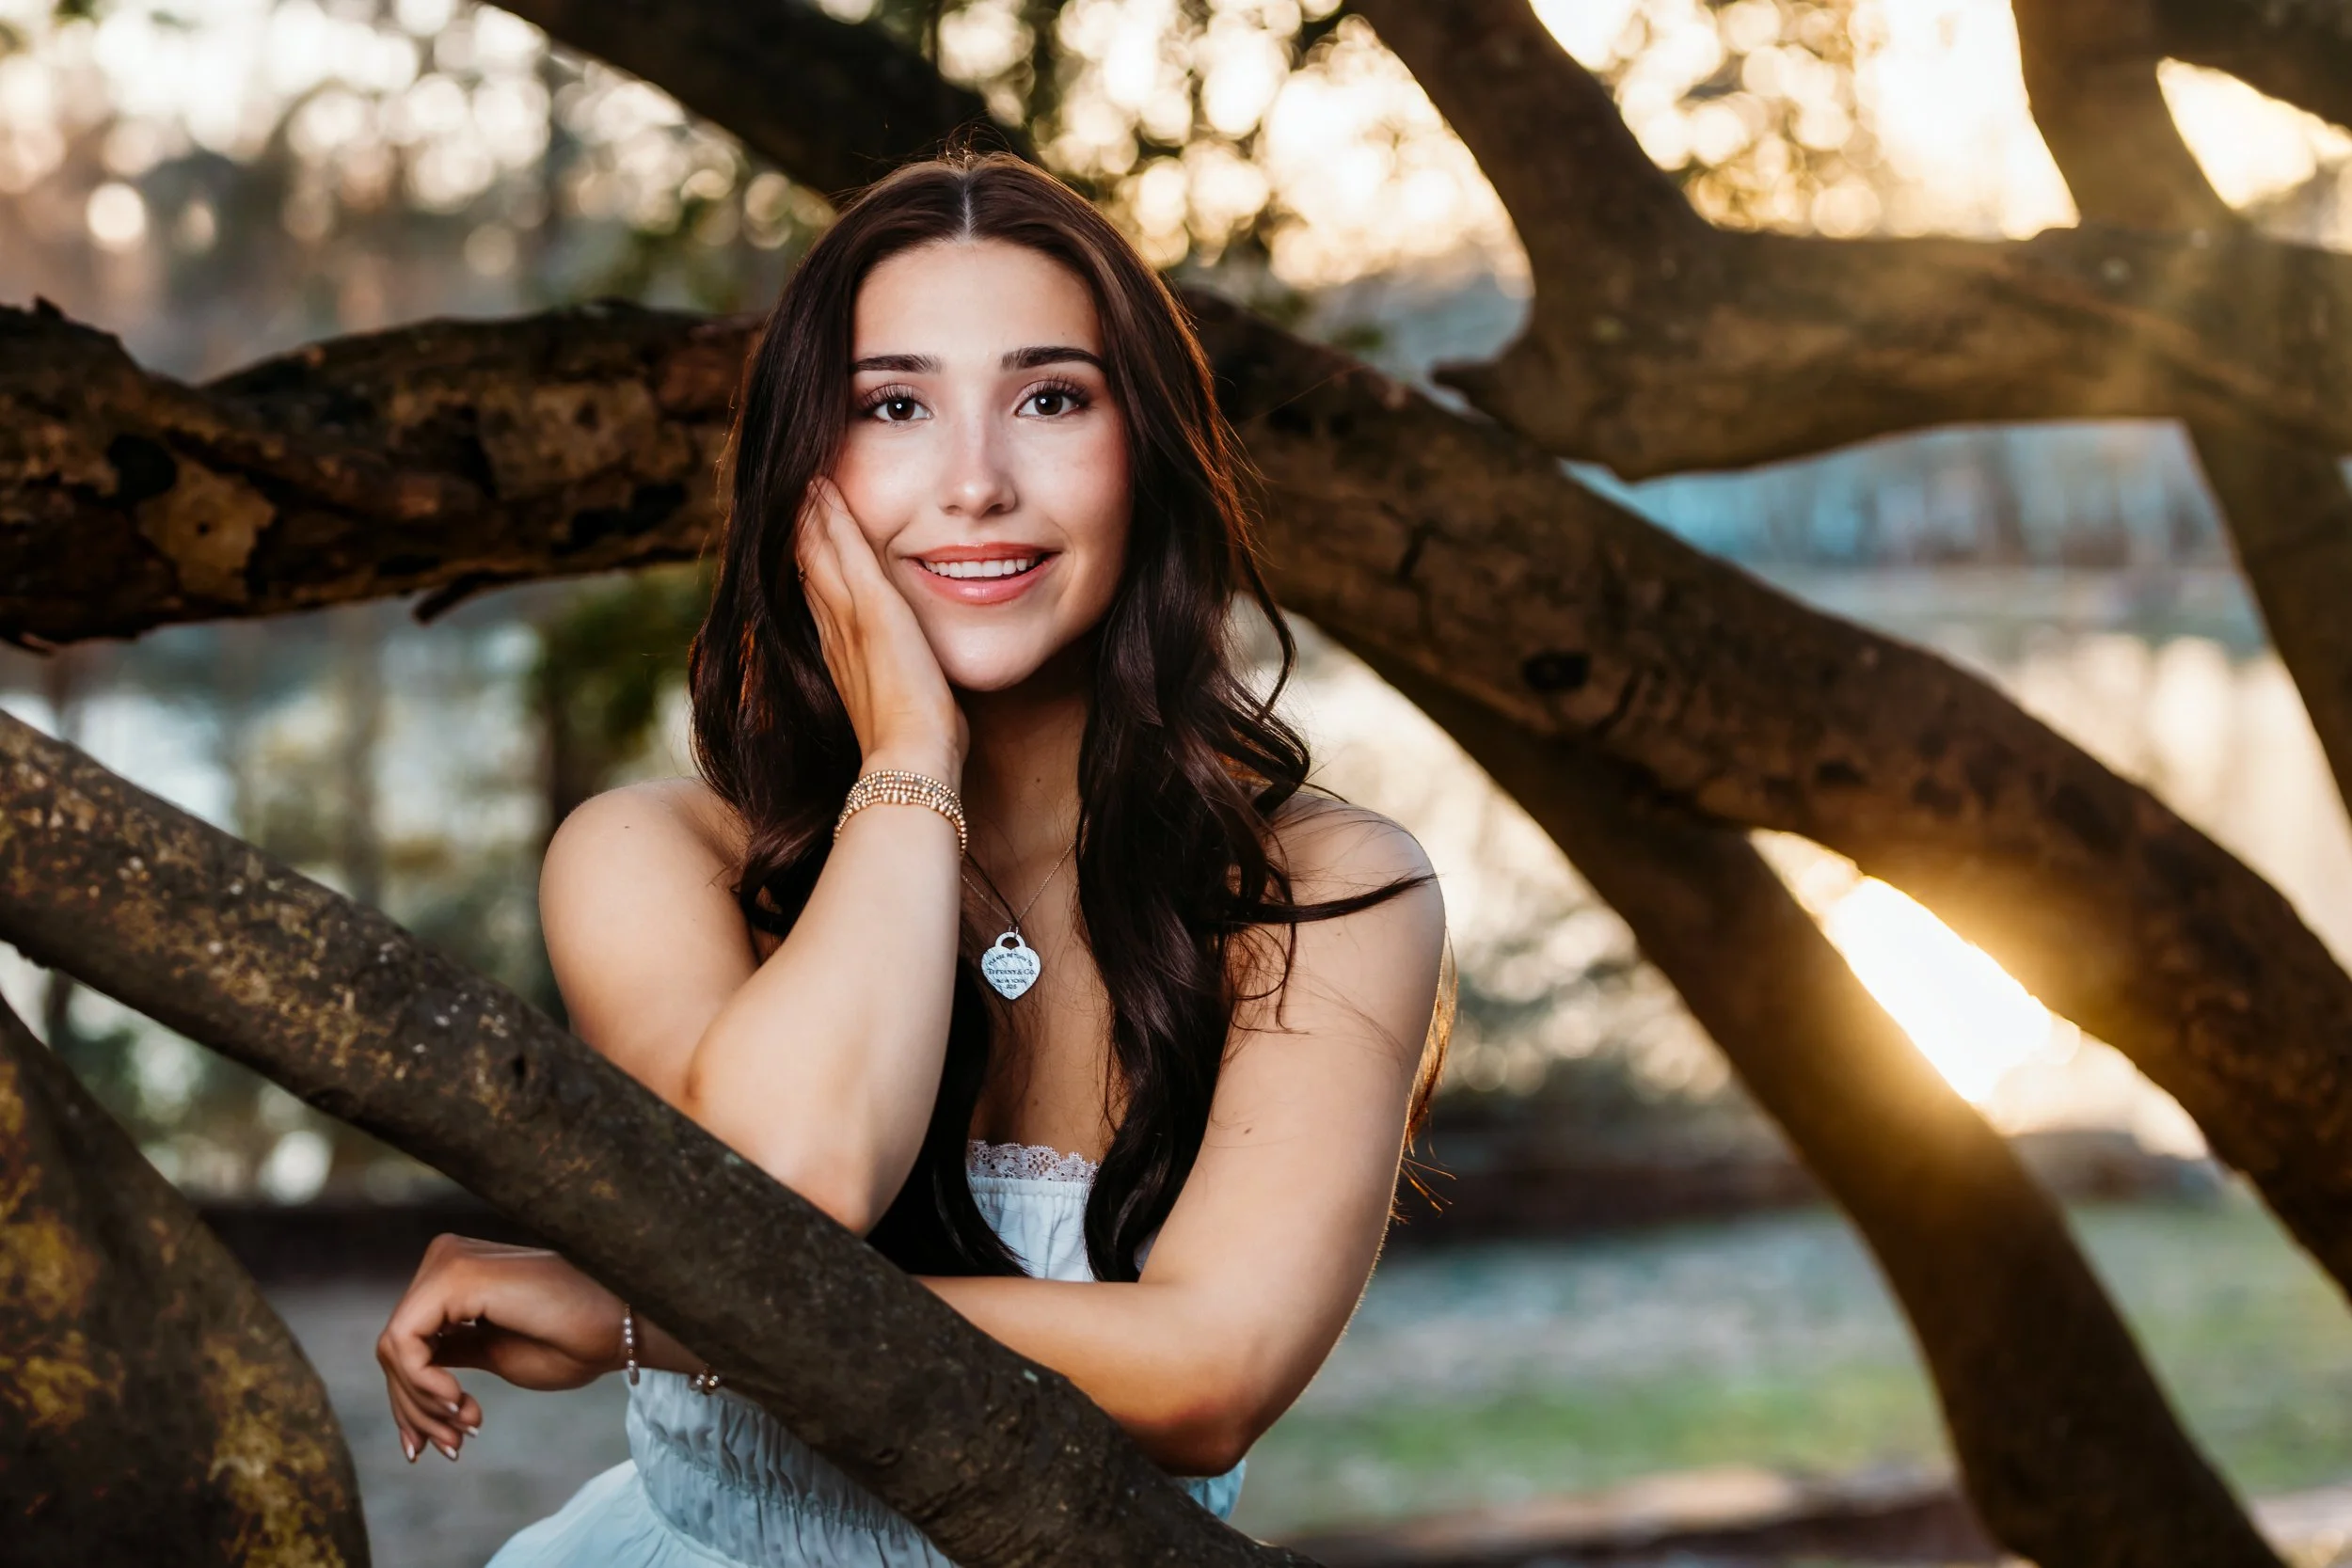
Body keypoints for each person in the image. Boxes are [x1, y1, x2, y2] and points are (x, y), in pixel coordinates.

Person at [373, 148, 1453, 1567]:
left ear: (1153, 454)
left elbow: (1211, 1373)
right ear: (801, 476)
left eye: (1051, 397)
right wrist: (908, 760)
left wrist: (650, 1311)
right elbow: (799, 1179)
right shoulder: (648, 857)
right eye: (892, 406)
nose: (976, 481)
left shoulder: (1322, 892)